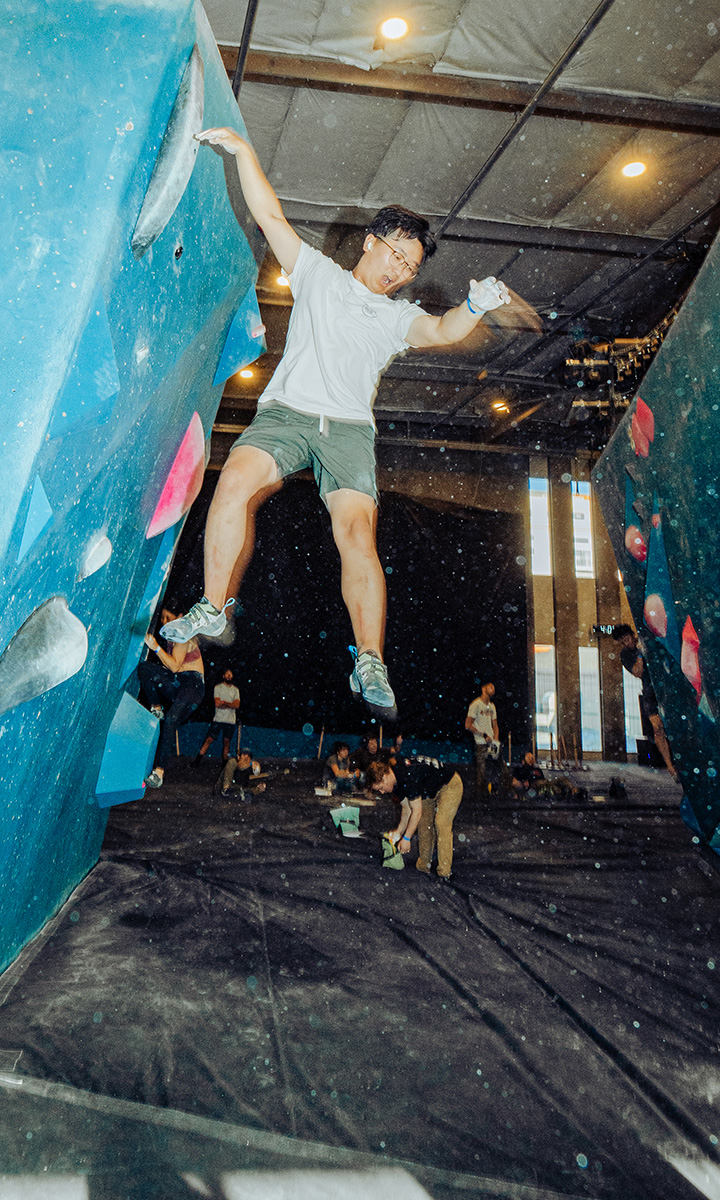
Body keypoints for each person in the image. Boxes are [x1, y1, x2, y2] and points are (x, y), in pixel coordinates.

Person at [159, 124, 511, 725]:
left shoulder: (398, 318)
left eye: (410, 266)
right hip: (287, 412)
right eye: (396, 255)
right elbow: (270, 217)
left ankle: (369, 658)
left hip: (348, 428)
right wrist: (245, 151)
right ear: (372, 243)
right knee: (236, 481)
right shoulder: (318, 274)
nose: (399, 271)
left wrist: (474, 306)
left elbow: (445, 329)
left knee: (356, 535)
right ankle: (213, 606)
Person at [137, 609, 205, 789]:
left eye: (168, 617)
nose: (164, 621)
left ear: (179, 617)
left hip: (193, 686)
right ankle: (156, 708)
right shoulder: (170, 637)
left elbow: (174, 665)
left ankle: (159, 772)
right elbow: (169, 669)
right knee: (145, 669)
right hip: (177, 684)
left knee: (171, 721)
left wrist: (156, 647)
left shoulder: (183, 633)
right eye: (163, 618)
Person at [366, 756, 463, 880]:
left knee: (441, 823)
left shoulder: (406, 776)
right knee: (424, 826)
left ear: (384, 777)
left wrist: (407, 838)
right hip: (429, 790)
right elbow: (407, 810)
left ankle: (445, 873)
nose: (382, 792)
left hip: (450, 784)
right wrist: (399, 832)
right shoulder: (395, 782)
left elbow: (416, 812)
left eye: (380, 788)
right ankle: (424, 866)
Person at [612, 624, 679, 781]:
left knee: (672, 726)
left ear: (632, 635)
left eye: (627, 639)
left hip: (666, 689)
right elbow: (637, 672)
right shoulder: (626, 654)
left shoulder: (649, 641)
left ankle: (679, 760)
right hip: (649, 692)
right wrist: (641, 655)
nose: (626, 644)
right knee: (657, 728)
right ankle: (670, 766)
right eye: (622, 642)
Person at [192, 669, 240, 767]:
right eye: (227, 674)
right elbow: (218, 704)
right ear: (223, 676)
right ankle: (196, 762)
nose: (229, 676)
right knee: (209, 740)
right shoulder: (218, 688)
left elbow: (237, 705)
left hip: (230, 721)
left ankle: (224, 765)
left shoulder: (235, 690)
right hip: (218, 719)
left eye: (230, 674)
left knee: (227, 742)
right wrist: (230, 704)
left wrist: (225, 703)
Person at [465, 682, 499, 799]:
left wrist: (496, 740)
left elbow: (495, 725)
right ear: (483, 689)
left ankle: (494, 795)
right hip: (481, 743)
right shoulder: (476, 705)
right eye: (490, 687)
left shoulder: (492, 706)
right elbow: (468, 725)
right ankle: (479, 799)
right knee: (481, 771)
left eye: (493, 687)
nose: (493, 689)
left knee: (496, 769)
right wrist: (482, 734)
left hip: (492, 744)